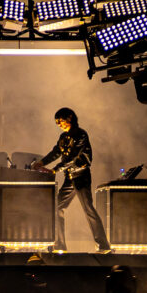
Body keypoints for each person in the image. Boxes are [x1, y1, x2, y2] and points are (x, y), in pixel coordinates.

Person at [33, 106, 111, 253]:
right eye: (57, 122)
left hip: (81, 176)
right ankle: (59, 245)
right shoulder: (63, 137)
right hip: (69, 178)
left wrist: (55, 170)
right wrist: (41, 163)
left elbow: (72, 157)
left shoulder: (81, 135)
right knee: (57, 207)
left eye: (60, 121)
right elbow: (56, 152)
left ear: (69, 118)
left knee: (88, 209)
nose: (59, 124)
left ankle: (103, 245)